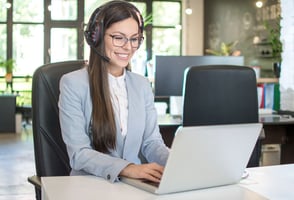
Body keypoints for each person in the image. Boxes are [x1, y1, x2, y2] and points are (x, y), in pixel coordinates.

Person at [58, 0, 169, 183]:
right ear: (97, 38)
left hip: (134, 186)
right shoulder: (73, 84)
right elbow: (79, 153)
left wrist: (177, 162)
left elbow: (152, 143)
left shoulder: (142, 85)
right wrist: (128, 168)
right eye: (119, 37)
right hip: (90, 186)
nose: (128, 47)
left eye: (134, 39)